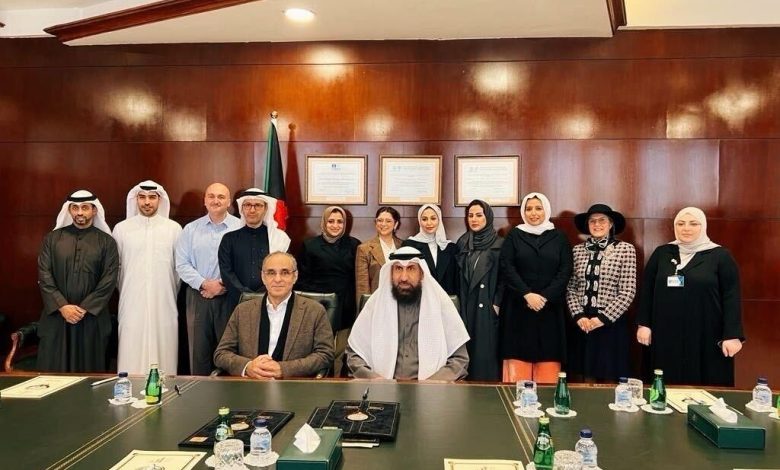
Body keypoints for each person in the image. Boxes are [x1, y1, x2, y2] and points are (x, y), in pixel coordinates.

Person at [636, 207, 744, 386]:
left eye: (693, 224)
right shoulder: (662, 253)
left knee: (704, 385)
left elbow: (731, 297)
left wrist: (732, 335)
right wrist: (644, 324)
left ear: (703, 226)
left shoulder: (720, 256)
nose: (686, 228)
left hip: (705, 334)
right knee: (664, 381)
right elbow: (647, 290)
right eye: (681, 223)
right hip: (665, 332)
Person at [346, 247, 470, 381]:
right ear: (391, 273)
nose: (404, 277)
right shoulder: (375, 304)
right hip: (382, 388)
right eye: (398, 269)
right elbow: (354, 356)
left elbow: (460, 359)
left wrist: (433, 382)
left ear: (422, 273)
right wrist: (374, 379)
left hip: (431, 389)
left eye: (411, 269)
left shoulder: (441, 303)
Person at [214, 252, 335, 378]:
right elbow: (221, 353)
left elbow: (325, 354)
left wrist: (284, 369)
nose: (278, 279)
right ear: (263, 277)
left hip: (293, 385)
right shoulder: (242, 311)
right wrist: (248, 366)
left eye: (285, 272)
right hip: (250, 383)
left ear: (295, 276)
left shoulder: (315, 311)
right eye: (271, 273)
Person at [37, 190, 119, 372]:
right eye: (75, 208)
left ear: (94, 210)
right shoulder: (51, 239)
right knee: (54, 372)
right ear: (69, 210)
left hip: (91, 319)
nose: (79, 212)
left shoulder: (107, 242)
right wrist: (62, 306)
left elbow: (109, 279)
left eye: (85, 207)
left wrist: (84, 308)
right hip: (57, 317)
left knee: (90, 372)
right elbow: (44, 275)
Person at [499, 192, 572, 384]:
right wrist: (527, 294)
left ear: (546, 210)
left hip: (550, 310)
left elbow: (565, 270)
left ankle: (547, 400)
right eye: (529, 209)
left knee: (548, 364)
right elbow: (507, 267)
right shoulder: (514, 235)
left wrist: (544, 297)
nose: (533, 213)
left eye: (538, 208)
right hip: (518, 307)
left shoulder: (559, 237)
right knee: (517, 367)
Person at [113, 180, 182, 375]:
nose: (147, 202)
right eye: (142, 197)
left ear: (160, 200)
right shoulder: (121, 229)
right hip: (131, 301)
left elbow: (178, 271)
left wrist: (165, 289)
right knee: (131, 345)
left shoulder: (174, 229)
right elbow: (116, 268)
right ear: (136, 200)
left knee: (164, 347)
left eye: (152, 197)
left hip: (164, 300)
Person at [175, 182, 242, 375]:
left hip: (230, 296)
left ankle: (229, 390)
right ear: (205, 201)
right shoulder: (191, 229)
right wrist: (205, 284)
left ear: (229, 202)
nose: (216, 200)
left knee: (229, 350)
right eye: (211, 196)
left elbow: (245, 265)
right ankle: (199, 390)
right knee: (199, 352)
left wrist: (223, 285)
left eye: (221, 197)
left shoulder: (240, 227)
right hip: (198, 296)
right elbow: (182, 264)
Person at [566, 204, 636, 382]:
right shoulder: (577, 251)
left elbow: (628, 291)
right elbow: (571, 287)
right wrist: (579, 315)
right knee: (584, 378)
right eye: (592, 221)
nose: (597, 224)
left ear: (611, 224)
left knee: (611, 378)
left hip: (611, 324)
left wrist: (601, 319)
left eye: (602, 220)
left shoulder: (625, 249)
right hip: (583, 323)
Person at [296, 206, 361, 376]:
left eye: (340, 222)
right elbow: (302, 279)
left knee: (342, 349)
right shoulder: (310, 245)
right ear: (324, 222)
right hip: (320, 304)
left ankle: (338, 379)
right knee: (320, 348)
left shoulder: (354, 245)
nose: (335, 225)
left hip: (346, 304)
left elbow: (358, 276)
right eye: (331, 221)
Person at [218, 188, 290, 312]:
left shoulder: (279, 239)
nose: (252, 210)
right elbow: (226, 272)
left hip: (270, 301)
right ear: (241, 209)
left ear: (266, 209)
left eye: (258, 205)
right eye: (247, 205)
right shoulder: (229, 239)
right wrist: (244, 295)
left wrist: (263, 295)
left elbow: (283, 270)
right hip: (237, 302)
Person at [456, 200, 503, 381]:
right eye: (470, 215)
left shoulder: (499, 244)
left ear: (488, 217)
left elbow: (505, 279)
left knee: (484, 355)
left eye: (478, 215)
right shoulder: (463, 243)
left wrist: (496, 304)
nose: (474, 219)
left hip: (486, 306)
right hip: (465, 306)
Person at [402, 204, 459, 295]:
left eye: (433, 218)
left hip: (445, 299)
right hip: (419, 299)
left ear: (439, 220)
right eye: (424, 219)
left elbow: (456, 280)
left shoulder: (451, 247)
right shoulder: (410, 245)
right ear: (419, 221)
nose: (429, 223)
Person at [355, 206, 403, 307]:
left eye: (388, 221)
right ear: (376, 223)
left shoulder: (403, 246)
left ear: (396, 224)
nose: (383, 224)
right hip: (376, 302)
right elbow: (362, 285)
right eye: (380, 220)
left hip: (401, 301)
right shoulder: (364, 249)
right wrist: (366, 308)